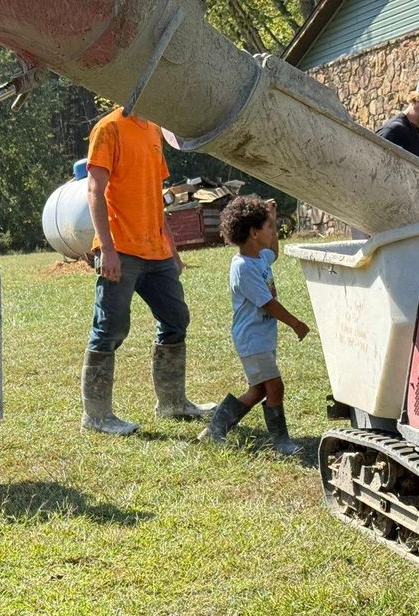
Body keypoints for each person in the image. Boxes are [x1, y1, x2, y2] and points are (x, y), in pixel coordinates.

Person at [81, 106, 212, 435]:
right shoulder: (109, 128)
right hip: (120, 250)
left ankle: (172, 403)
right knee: (109, 329)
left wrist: (172, 249)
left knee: (176, 318)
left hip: (156, 251)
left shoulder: (154, 130)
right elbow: (94, 191)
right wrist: (107, 249)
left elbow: (155, 196)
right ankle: (96, 417)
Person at [199, 195, 309, 454]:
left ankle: (215, 430)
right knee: (275, 386)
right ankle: (281, 442)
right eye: (269, 227)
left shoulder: (259, 258)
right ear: (253, 232)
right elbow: (268, 304)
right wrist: (295, 323)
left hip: (262, 337)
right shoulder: (243, 268)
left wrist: (271, 217)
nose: (273, 231)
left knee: (258, 389)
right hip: (252, 339)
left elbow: (275, 252)